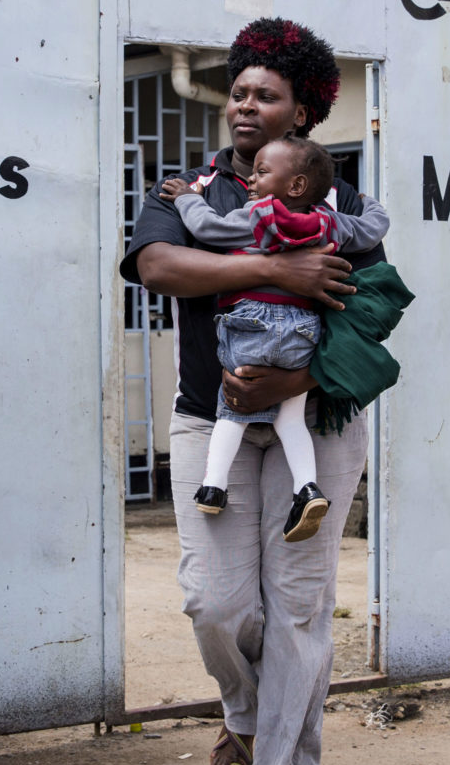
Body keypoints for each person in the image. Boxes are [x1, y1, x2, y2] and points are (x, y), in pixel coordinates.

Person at [120, 18, 384, 765]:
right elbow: (160, 266)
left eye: (265, 95)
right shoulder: (187, 193)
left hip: (318, 413)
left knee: (299, 606)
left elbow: (375, 308)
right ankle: (242, 710)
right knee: (217, 602)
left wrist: (297, 373)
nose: (244, 105)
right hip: (215, 415)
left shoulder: (340, 203)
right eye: (238, 91)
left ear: (300, 113)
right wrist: (275, 266)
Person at [157, 135, 388, 541]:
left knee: (233, 407)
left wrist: (184, 199)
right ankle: (307, 488)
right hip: (303, 333)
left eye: (262, 172)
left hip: (252, 326)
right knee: (291, 417)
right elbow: (371, 230)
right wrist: (371, 203)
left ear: (294, 185)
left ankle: (214, 484)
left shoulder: (258, 216)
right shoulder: (329, 221)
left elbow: (207, 227)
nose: (252, 179)